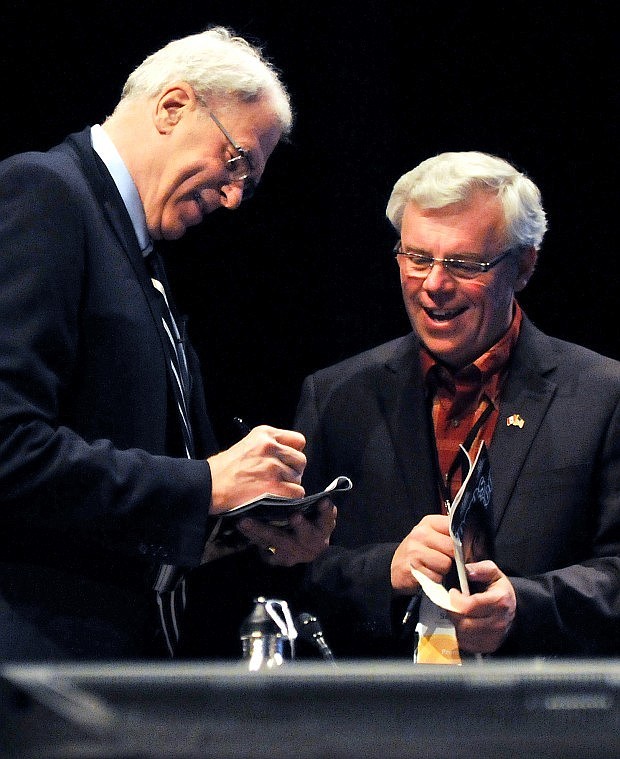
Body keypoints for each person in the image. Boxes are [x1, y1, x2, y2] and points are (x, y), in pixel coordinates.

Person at [0, 26, 335, 661]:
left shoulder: (136, 251)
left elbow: (127, 485)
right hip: (37, 669)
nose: (235, 198)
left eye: (250, 182)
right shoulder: (44, 196)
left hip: (112, 662)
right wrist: (207, 482)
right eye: (235, 162)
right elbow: (9, 447)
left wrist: (244, 524)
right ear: (173, 106)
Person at [294, 151, 620, 659]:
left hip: (548, 718)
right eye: (418, 258)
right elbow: (295, 569)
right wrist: (386, 571)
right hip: (382, 719)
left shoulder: (604, 394)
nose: (435, 284)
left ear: (524, 267)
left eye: (465, 264)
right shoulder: (336, 396)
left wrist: (523, 605)